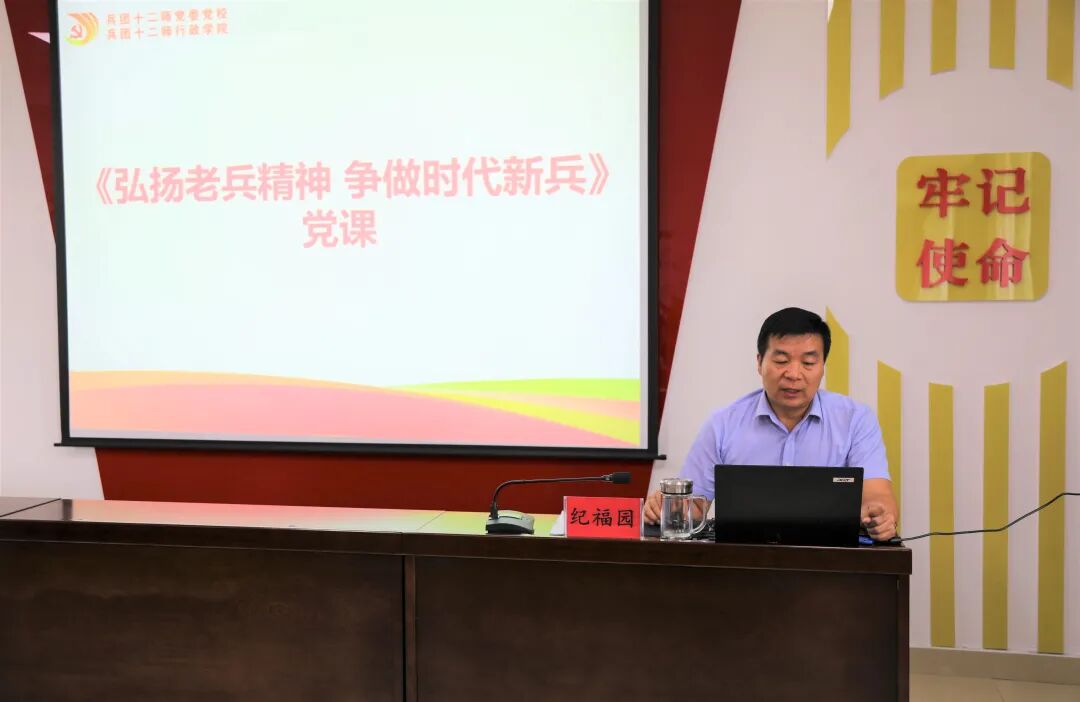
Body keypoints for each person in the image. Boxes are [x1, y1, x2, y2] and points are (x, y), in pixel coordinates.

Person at [644, 307, 899, 541]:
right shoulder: (723, 424)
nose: (794, 374)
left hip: (830, 563)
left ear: (822, 367)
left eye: (808, 363)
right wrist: (668, 509)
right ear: (759, 362)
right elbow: (695, 507)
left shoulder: (855, 420)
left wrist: (880, 516)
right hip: (743, 563)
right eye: (781, 361)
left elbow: (877, 496)